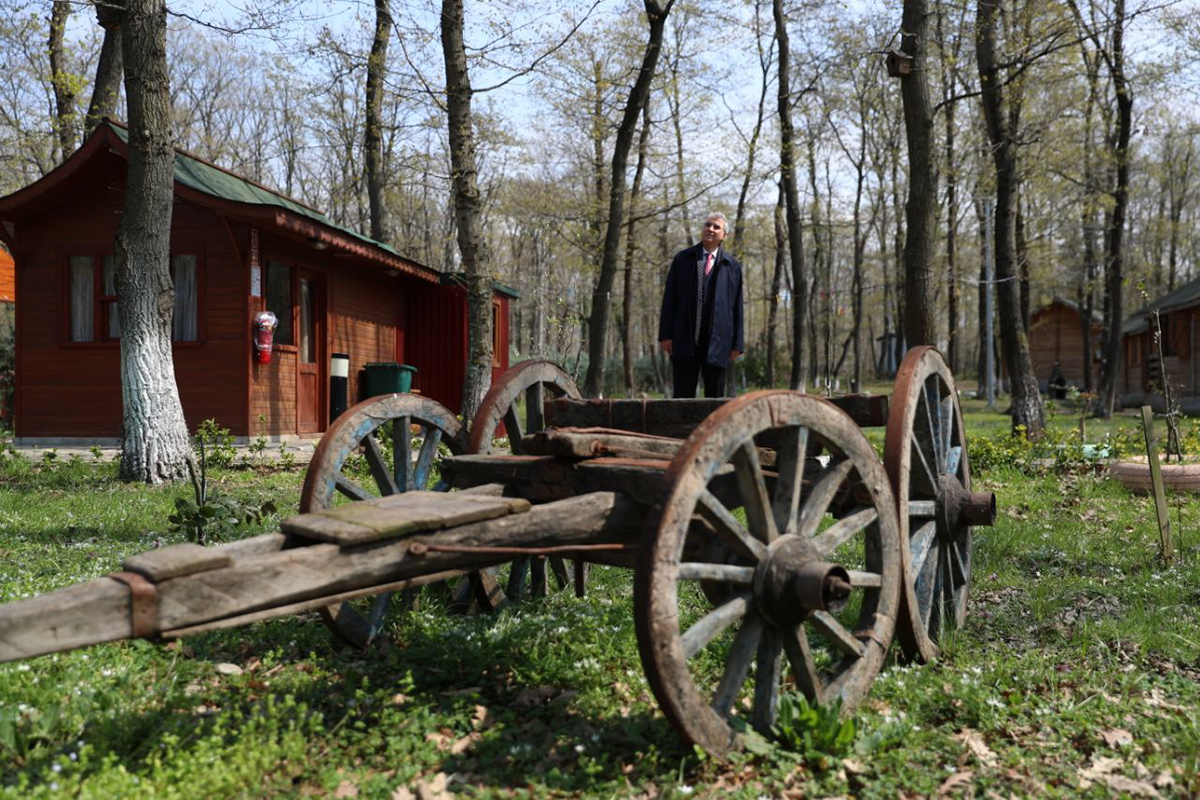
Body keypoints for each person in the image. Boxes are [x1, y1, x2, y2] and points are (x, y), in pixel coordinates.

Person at [658, 212, 744, 398]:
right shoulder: (683, 259)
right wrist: (666, 335)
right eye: (707, 225)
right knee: (682, 398)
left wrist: (737, 343)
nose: (710, 229)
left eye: (716, 227)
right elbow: (670, 299)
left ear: (724, 235)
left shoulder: (732, 266)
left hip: (719, 343)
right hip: (685, 340)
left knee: (715, 400)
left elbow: (737, 306)